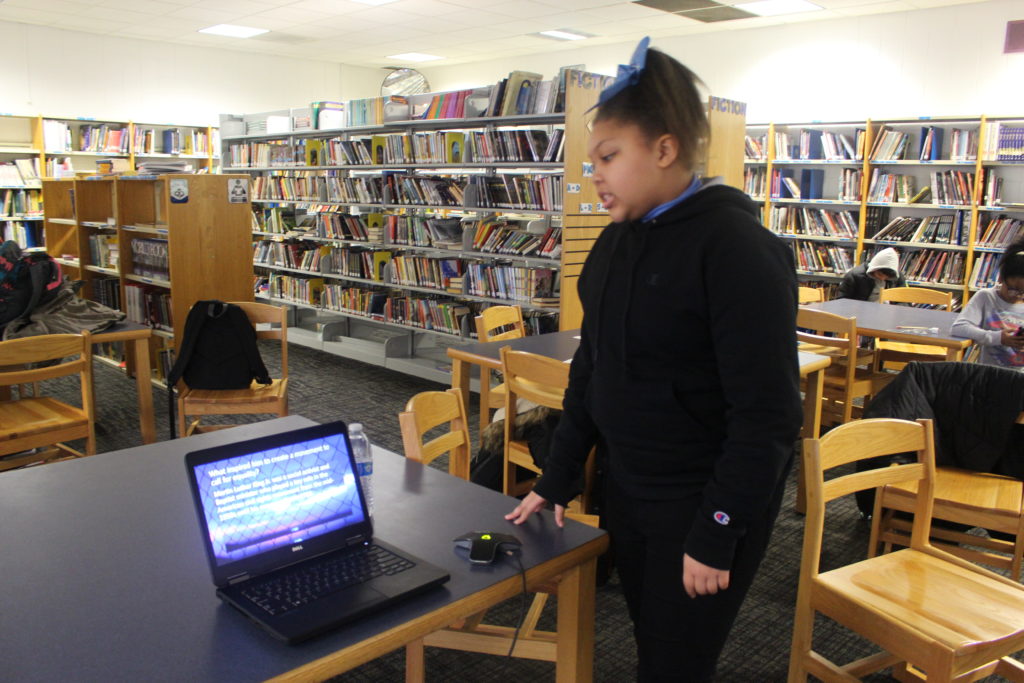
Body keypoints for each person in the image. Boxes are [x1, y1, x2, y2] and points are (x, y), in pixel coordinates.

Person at [504, 38, 803, 681]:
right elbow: (593, 371)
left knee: (675, 664)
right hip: (630, 487)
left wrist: (717, 531)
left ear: (664, 149)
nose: (595, 176)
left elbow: (769, 416)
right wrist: (557, 477)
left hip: (703, 501)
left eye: (609, 157)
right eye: (592, 161)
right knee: (649, 641)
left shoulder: (739, 252)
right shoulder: (613, 247)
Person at [951, 238, 1024, 369]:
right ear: (1001, 277)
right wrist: (998, 338)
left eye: (1023, 292)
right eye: (1013, 289)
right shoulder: (986, 297)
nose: (1018, 295)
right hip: (989, 377)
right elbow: (959, 327)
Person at [837, 246, 905, 300]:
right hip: (861, 312)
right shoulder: (854, 276)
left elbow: (905, 301)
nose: (882, 278)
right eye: (880, 274)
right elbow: (842, 301)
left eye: (886, 277)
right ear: (874, 269)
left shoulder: (897, 277)